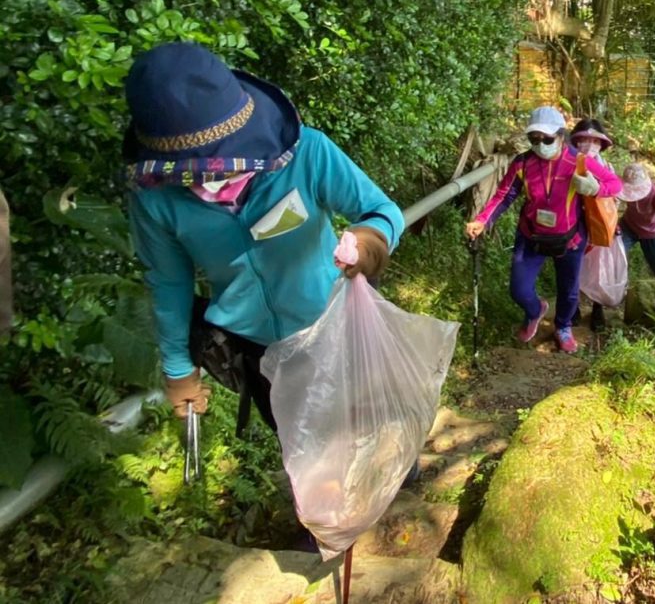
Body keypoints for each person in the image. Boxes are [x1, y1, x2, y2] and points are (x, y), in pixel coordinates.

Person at [124, 42, 404, 428]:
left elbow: (382, 211)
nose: (222, 178)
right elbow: (169, 283)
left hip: (336, 321)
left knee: (375, 424)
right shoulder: (156, 199)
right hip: (258, 348)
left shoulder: (306, 153)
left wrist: (368, 241)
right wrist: (178, 368)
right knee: (301, 443)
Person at [464, 106, 621, 353]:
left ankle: (563, 326)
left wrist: (594, 188)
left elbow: (615, 184)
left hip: (570, 238)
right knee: (519, 289)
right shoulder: (522, 163)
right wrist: (483, 220)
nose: (540, 145)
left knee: (568, 291)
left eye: (547, 139)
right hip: (531, 236)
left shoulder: (579, 161)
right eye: (533, 139)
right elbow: (505, 195)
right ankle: (535, 311)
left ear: (561, 136)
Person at [570, 117, 619, 330]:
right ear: (574, 142)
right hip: (573, 223)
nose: (589, 145)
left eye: (595, 141)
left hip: (598, 226)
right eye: (583, 140)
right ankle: (574, 307)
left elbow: (615, 193)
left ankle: (597, 309)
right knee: (574, 266)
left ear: (601, 145)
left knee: (599, 269)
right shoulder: (568, 164)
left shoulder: (606, 167)